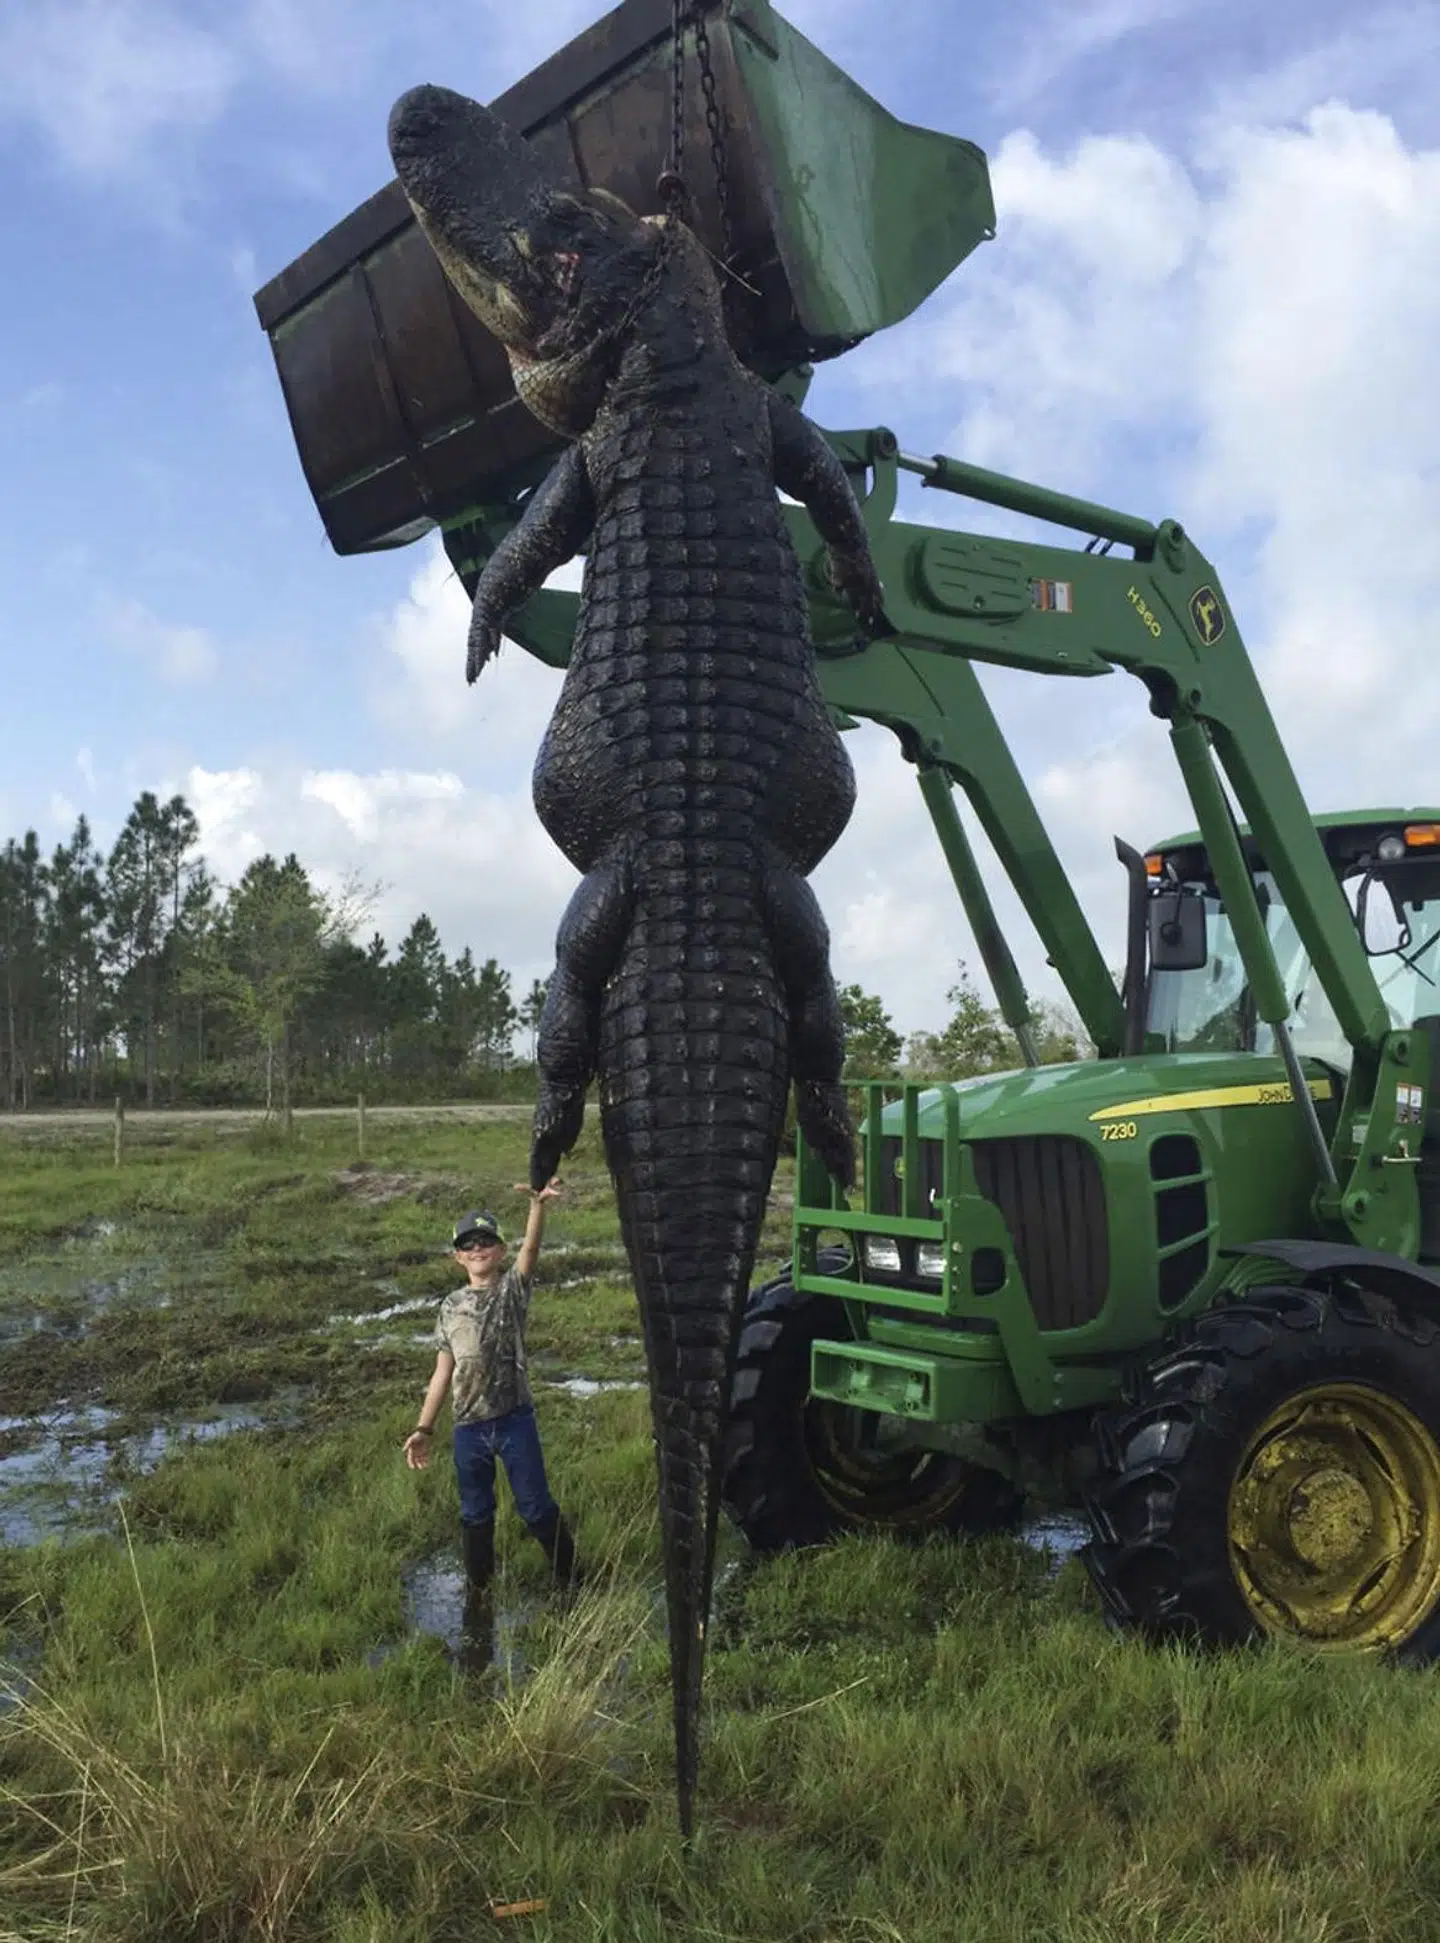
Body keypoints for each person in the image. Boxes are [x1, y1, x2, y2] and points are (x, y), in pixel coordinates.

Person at [403, 1181, 583, 1621]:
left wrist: (536, 1208)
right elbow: (442, 1371)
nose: (478, 1248)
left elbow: (532, 1253)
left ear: (500, 1251)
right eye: (469, 1245)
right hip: (468, 1428)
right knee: (475, 1514)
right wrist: (424, 1429)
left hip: (514, 1420)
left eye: (486, 1242)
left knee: (536, 1508)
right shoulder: (450, 1306)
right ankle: (478, 1593)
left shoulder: (512, 1293)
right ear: (458, 1257)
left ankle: (573, 1579)